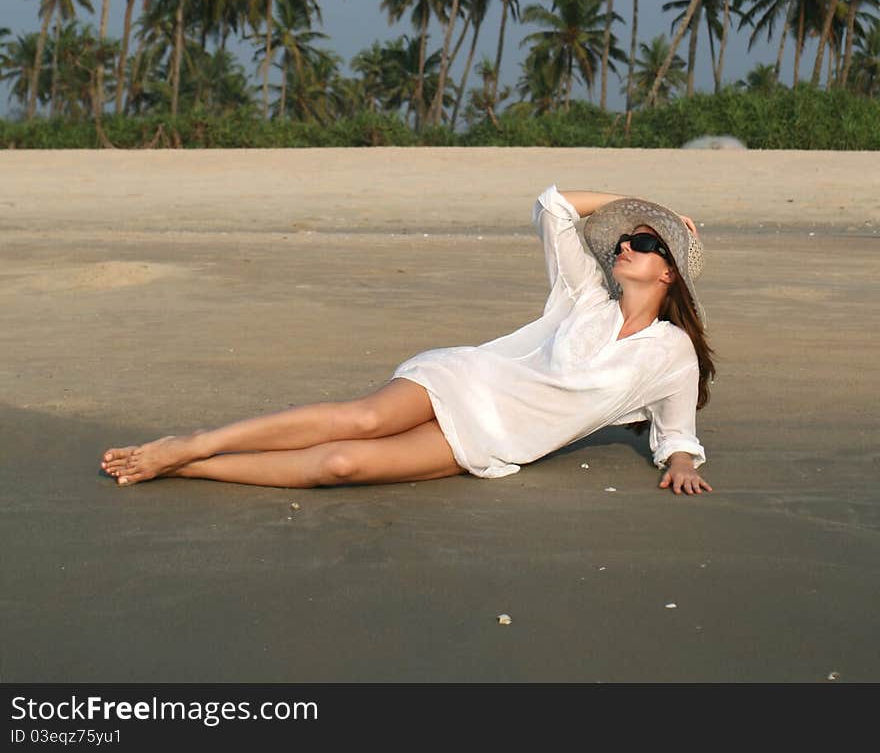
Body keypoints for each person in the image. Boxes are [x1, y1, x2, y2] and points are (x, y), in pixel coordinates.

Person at [100, 184, 715, 496]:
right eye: (627, 239)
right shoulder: (586, 295)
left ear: (669, 273)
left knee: (342, 465)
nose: (629, 245)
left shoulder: (670, 353)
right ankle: (190, 444)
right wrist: (643, 204)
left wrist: (681, 463)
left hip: (497, 438)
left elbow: (676, 428)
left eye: (648, 243)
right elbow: (553, 204)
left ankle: (194, 468)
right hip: (467, 378)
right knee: (361, 419)